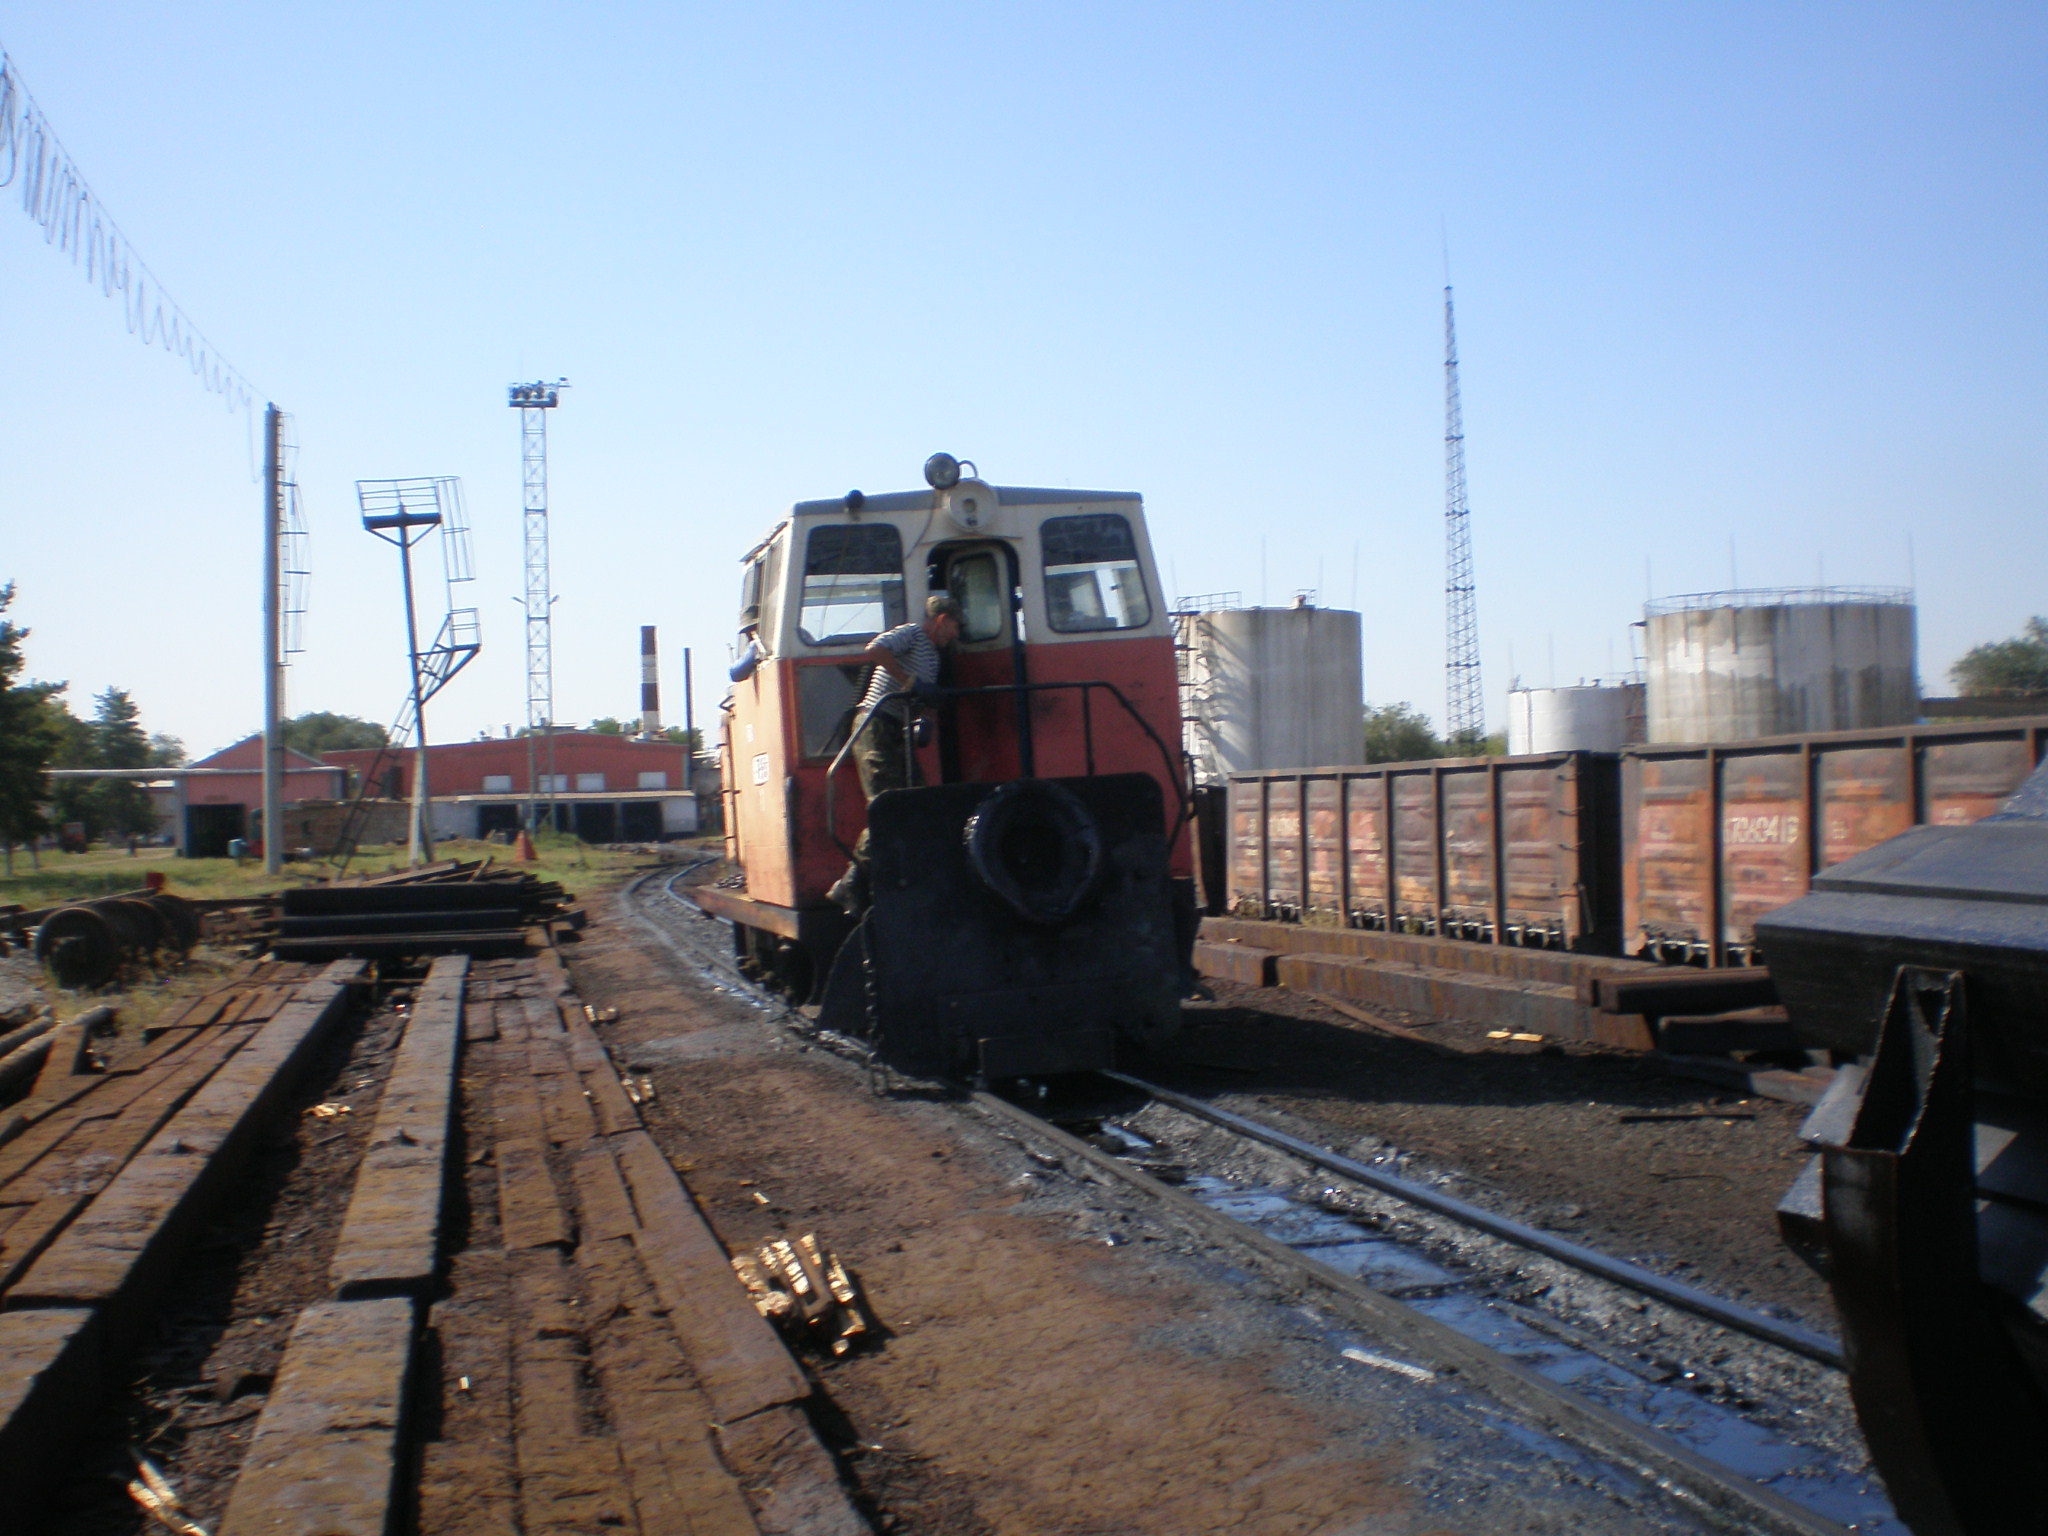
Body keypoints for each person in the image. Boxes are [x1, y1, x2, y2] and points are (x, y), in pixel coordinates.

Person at [827, 593, 964, 912]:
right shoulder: (912, 634)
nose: (956, 634)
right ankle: (851, 883)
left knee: (917, 802)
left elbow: (923, 697)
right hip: (875, 725)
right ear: (942, 620)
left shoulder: (934, 658)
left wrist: (928, 713)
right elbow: (875, 649)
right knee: (886, 807)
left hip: (898, 730)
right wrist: (908, 681)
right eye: (955, 626)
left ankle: (874, 881)